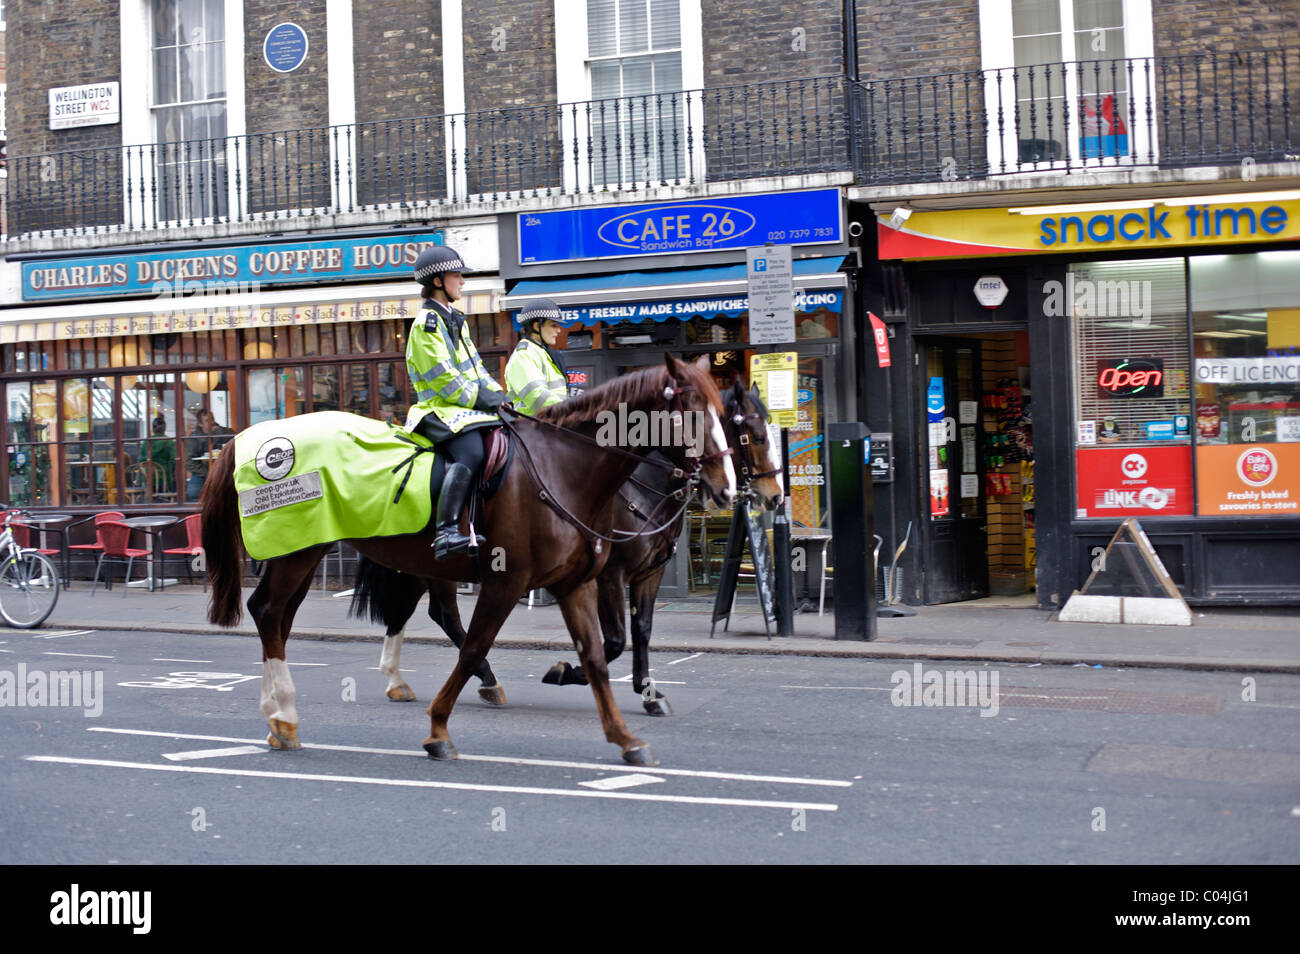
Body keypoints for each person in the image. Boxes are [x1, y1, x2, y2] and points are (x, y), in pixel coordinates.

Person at [405, 245, 505, 558]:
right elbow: (446, 383)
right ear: (437, 281)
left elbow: (476, 368)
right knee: (472, 452)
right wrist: (485, 400)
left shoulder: (456, 321)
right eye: (456, 275)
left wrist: (501, 396)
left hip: (463, 412)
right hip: (437, 411)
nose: (462, 281)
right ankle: (447, 531)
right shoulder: (426, 325)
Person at [504, 299, 573, 415]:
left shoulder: (540, 352)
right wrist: (571, 410)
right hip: (533, 427)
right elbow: (538, 398)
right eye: (553, 325)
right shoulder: (524, 355)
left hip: (549, 423)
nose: (559, 330)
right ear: (537, 326)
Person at [185, 407, 233, 500]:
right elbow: (189, 462)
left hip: (221, 471)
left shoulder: (220, 431)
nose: (211, 422)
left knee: (228, 495)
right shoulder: (194, 438)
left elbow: (234, 436)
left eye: (212, 419)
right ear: (200, 424)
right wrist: (207, 473)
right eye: (207, 421)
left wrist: (221, 431)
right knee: (193, 493)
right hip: (202, 473)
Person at [139, 415, 176, 496]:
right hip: (164, 479)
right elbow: (173, 462)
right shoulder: (169, 442)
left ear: (153, 429)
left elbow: (140, 461)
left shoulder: (146, 443)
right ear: (164, 429)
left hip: (148, 480)